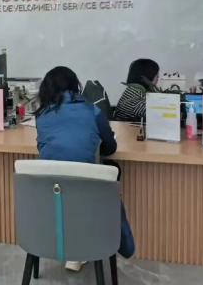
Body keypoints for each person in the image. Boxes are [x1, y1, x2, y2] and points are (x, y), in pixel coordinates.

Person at [34, 66, 134, 271]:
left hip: (50, 195)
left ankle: (73, 249)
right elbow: (111, 147)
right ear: (75, 86)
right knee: (107, 173)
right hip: (86, 193)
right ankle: (86, 248)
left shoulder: (41, 115)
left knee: (69, 188)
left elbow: (44, 147)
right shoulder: (92, 111)